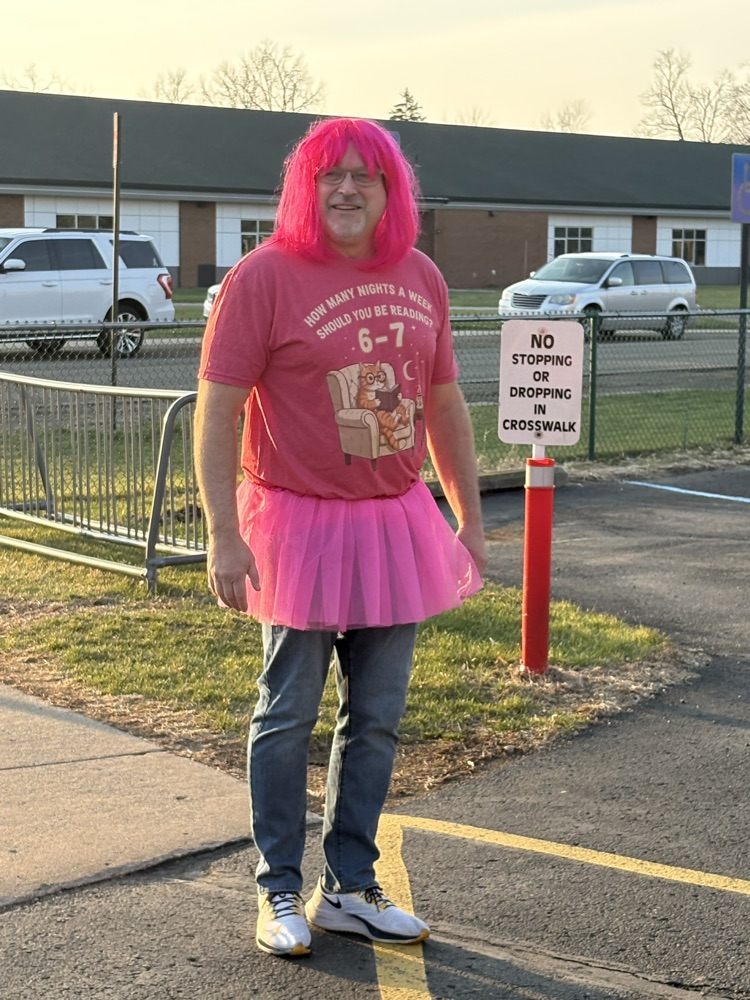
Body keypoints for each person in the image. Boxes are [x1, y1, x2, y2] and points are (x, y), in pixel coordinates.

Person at [194, 116, 487, 958]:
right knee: (287, 713)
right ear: (306, 187)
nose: (349, 188)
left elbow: (441, 405)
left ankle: (350, 887)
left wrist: (467, 518)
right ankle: (278, 890)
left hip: (393, 519)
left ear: (392, 191)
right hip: (296, 518)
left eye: (368, 175)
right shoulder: (266, 277)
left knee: (380, 718)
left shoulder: (421, 275)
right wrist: (223, 531)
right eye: (332, 175)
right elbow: (218, 411)